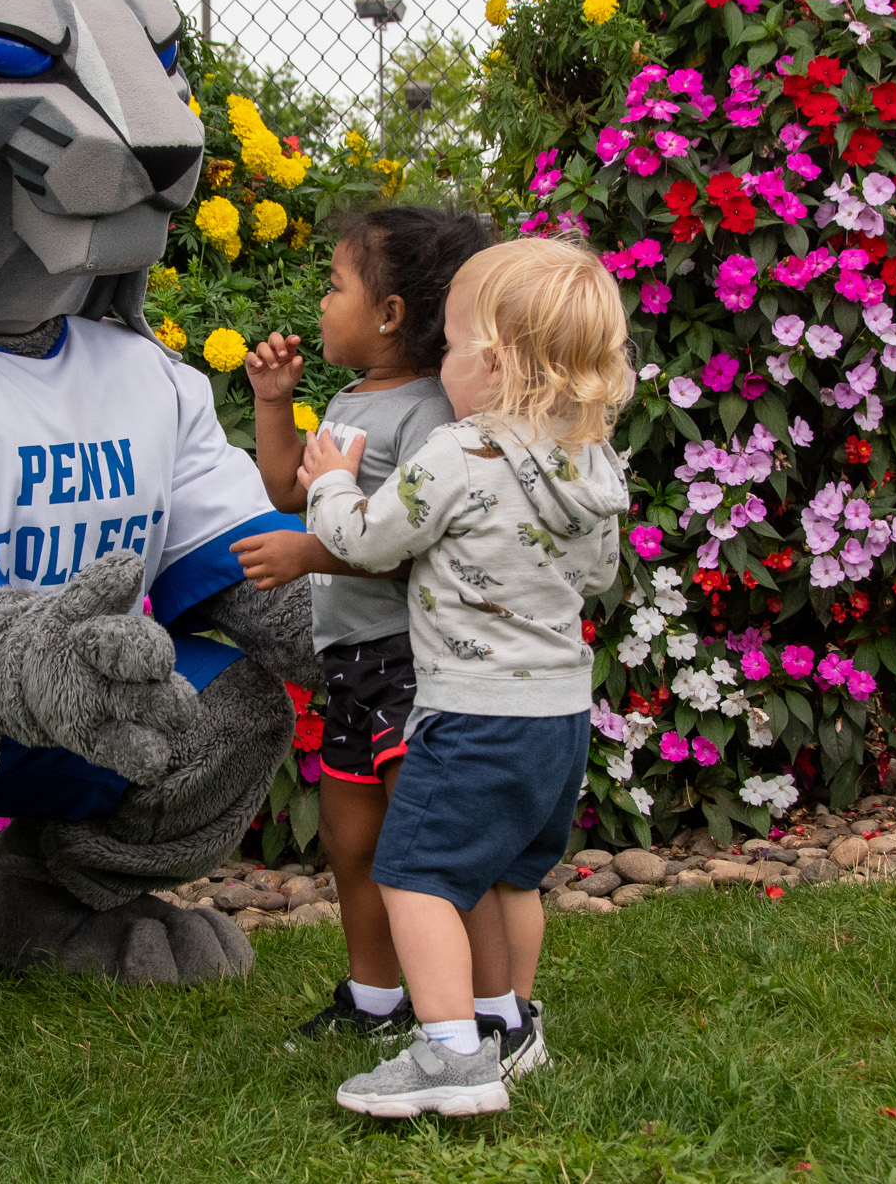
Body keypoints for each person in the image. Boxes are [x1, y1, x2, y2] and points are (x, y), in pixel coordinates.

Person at [300, 236, 633, 1118]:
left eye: (446, 347)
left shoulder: (458, 452)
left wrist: (331, 483)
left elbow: (367, 538)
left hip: (473, 712)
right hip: (558, 718)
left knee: (415, 876)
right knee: (512, 877)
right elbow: (598, 575)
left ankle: (450, 1057)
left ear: (491, 362)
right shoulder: (593, 466)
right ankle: (509, 1025)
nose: (438, 364)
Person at [232, 207, 488, 1052]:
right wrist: (275, 403)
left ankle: (474, 1009)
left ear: (388, 315)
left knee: (418, 840)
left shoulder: (426, 418)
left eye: (335, 286)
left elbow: (418, 551)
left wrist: (314, 555)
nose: (321, 302)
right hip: (351, 662)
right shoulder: (347, 400)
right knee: (350, 839)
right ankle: (376, 999)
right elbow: (286, 488)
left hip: (409, 660)